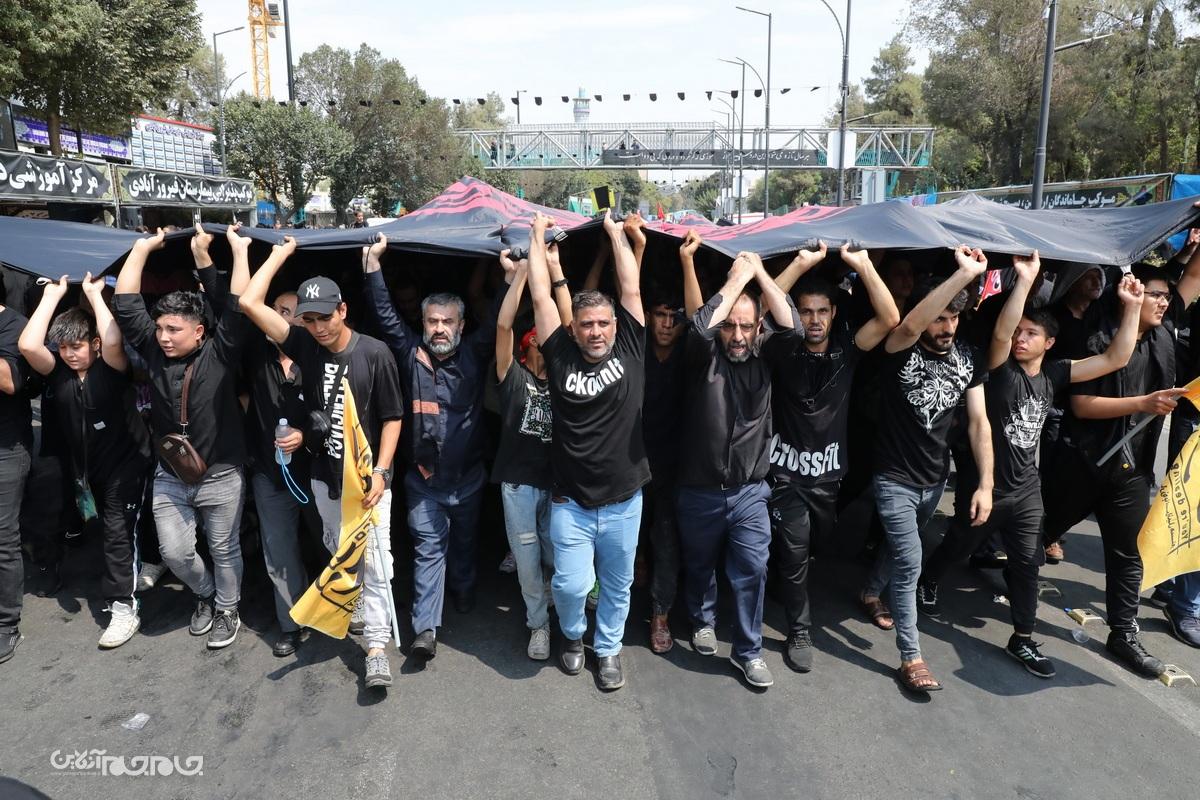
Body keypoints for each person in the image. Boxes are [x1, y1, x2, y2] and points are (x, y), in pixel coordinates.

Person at [918, 253, 1144, 678]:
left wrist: (1132, 307)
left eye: (1031, 333)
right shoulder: (1000, 369)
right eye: (1019, 331)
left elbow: (1115, 358)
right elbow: (1001, 334)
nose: (1021, 338)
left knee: (1026, 563)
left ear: (1049, 343)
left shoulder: (1054, 375)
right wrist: (1024, 281)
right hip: (987, 485)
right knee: (959, 543)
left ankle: (1022, 637)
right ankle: (928, 579)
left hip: (1026, 492)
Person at [240, 236, 403, 689]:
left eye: (325, 317)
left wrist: (382, 472)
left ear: (343, 310)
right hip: (323, 478)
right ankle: (357, 607)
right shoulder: (304, 344)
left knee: (375, 562)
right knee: (339, 554)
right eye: (308, 319)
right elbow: (249, 302)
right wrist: (279, 254)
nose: (317, 327)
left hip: (367, 482)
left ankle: (376, 648)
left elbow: (393, 417)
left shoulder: (375, 352)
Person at [1042, 244, 1200, 676]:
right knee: (1038, 532)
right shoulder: (1099, 338)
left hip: (1131, 472)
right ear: (1131, 295)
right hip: (1084, 462)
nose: (1164, 302)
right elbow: (1082, 406)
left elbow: (1192, 278)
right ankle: (961, 569)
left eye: (1166, 296)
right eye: (1155, 294)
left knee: (1128, 554)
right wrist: (1143, 403)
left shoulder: (1165, 333)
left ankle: (1124, 634)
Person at [860, 246, 993, 694]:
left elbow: (979, 422)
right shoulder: (898, 347)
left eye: (954, 318)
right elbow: (910, 326)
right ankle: (911, 656)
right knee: (911, 560)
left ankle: (870, 592)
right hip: (893, 478)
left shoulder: (968, 357)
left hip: (934, 480)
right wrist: (964, 273)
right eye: (939, 318)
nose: (947, 327)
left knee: (903, 549)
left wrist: (986, 484)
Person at [363, 234, 501, 660]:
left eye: (447, 322)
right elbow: (385, 315)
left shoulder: (475, 353)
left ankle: (463, 587)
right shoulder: (410, 354)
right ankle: (425, 628)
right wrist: (373, 265)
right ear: (423, 324)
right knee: (428, 550)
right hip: (423, 482)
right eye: (432, 321)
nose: (439, 328)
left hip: (469, 480)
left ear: (461, 326)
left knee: (463, 544)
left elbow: (500, 321)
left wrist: (512, 280)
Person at [527, 210, 649, 691]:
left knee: (618, 586)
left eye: (602, 323)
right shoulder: (559, 353)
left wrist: (615, 234)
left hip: (624, 502)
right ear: (573, 329)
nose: (596, 331)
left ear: (615, 326)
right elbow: (541, 295)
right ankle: (574, 635)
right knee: (570, 584)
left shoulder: (631, 347)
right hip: (571, 504)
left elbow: (631, 288)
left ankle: (609, 648)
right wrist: (536, 237)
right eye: (587, 324)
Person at [113, 226, 252, 650]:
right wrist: (142, 248)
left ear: (199, 331)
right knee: (174, 553)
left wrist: (238, 251)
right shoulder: (153, 350)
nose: (163, 337)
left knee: (224, 548)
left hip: (221, 474)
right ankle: (206, 594)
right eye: (159, 328)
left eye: (174, 329)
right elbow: (125, 301)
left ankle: (228, 609)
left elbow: (239, 303)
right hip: (170, 475)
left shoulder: (222, 350)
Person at [765, 242, 901, 673]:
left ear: (834, 314)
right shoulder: (782, 347)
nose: (814, 320)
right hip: (785, 477)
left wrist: (863, 265)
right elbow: (764, 309)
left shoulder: (848, 348)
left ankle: (781, 574)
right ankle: (799, 630)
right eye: (805, 311)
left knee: (813, 549)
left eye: (822, 311)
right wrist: (799, 263)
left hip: (828, 480)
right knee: (794, 554)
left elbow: (890, 319)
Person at [674, 251, 798, 689]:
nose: (738, 335)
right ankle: (702, 620)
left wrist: (758, 272)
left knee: (752, 568)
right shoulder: (702, 355)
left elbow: (793, 327)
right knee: (699, 565)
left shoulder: (767, 355)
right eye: (730, 326)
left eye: (747, 326)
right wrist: (734, 281)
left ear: (758, 327)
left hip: (749, 492)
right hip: (698, 490)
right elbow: (699, 327)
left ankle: (749, 651)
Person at [18, 273, 154, 649]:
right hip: (88, 471)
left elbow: (112, 339)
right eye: (63, 347)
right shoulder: (58, 374)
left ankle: (123, 607)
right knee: (120, 530)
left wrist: (94, 296)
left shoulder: (111, 368)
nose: (69, 354)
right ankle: (149, 561)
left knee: (116, 534)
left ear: (93, 344)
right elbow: (28, 344)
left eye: (77, 346)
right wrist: (53, 296)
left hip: (126, 466)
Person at [241, 287, 322, 658]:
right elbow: (238, 300)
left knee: (331, 544)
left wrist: (305, 435)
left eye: (288, 312)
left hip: (318, 473)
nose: (277, 317)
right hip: (270, 475)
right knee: (280, 553)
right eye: (275, 309)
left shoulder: (320, 357)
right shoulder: (255, 355)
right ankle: (292, 623)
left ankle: (344, 609)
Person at [492, 250, 558, 660]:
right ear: (529, 344)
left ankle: (554, 603)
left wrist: (550, 271)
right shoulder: (512, 377)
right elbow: (503, 325)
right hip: (519, 486)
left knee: (557, 556)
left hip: (557, 486)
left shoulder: (565, 380)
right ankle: (538, 625)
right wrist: (518, 276)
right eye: (540, 338)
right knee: (528, 560)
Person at [640, 231, 697, 654]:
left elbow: (702, 319)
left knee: (667, 540)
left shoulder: (693, 353)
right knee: (627, 538)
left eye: (673, 317)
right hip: (630, 462)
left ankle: (660, 614)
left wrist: (688, 261)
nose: (666, 323)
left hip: (677, 466)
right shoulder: (634, 350)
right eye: (660, 315)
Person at [0, 288, 33, 664]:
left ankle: (7, 623)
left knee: (3, 539)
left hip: (6, 449)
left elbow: (9, 381)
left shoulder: (14, 325)